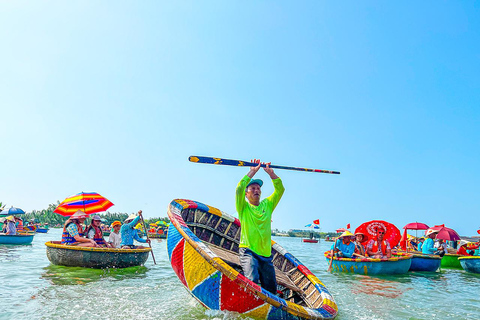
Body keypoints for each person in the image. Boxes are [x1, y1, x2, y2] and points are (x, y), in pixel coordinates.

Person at [236, 159, 285, 295]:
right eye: (253, 188)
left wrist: (271, 174)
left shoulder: (267, 205)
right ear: (246, 194)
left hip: (266, 255)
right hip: (248, 251)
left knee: (271, 290)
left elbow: (280, 189)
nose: (256, 190)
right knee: (252, 280)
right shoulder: (243, 207)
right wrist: (252, 171)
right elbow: (239, 188)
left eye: (258, 188)